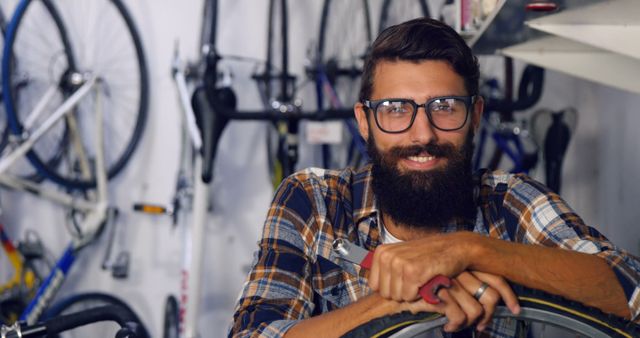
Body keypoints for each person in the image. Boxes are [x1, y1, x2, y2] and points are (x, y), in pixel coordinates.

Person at [229, 17, 640, 337]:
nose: (423, 134)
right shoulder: (315, 202)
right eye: (394, 109)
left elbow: (632, 291)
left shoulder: (509, 201)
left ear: (475, 116)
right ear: (364, 122)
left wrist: (472, 250)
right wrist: (392, 307)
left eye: (444, 107)